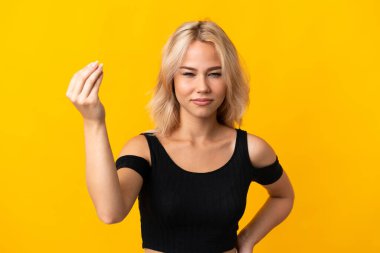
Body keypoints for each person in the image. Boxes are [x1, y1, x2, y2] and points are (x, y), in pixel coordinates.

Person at [66, 20, 295, 253]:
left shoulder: (250, 149)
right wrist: (93, 121)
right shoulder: (144, 149)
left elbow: (284, 196)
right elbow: (110, 212)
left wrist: (247, 239)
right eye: (188, 73)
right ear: (170, 79)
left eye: (215, 74)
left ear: (229, 81)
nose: (202, 86)